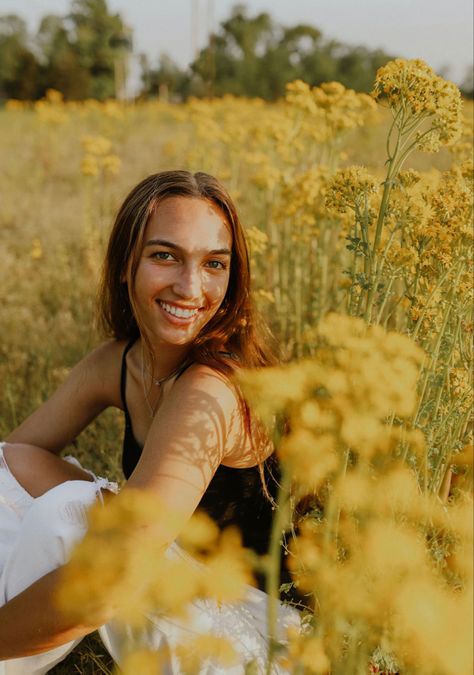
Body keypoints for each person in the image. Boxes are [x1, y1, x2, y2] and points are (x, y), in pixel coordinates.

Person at [0, 170, 299, 674]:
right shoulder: (120, 363)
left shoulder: (213, 388)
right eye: (165, 256)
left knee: (70, 516)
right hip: (187, 587)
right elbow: (12, 469)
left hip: (270, 640)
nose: (190, 287)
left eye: (214, 264)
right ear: (125, 266)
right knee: (12, 468)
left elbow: (110, 579)